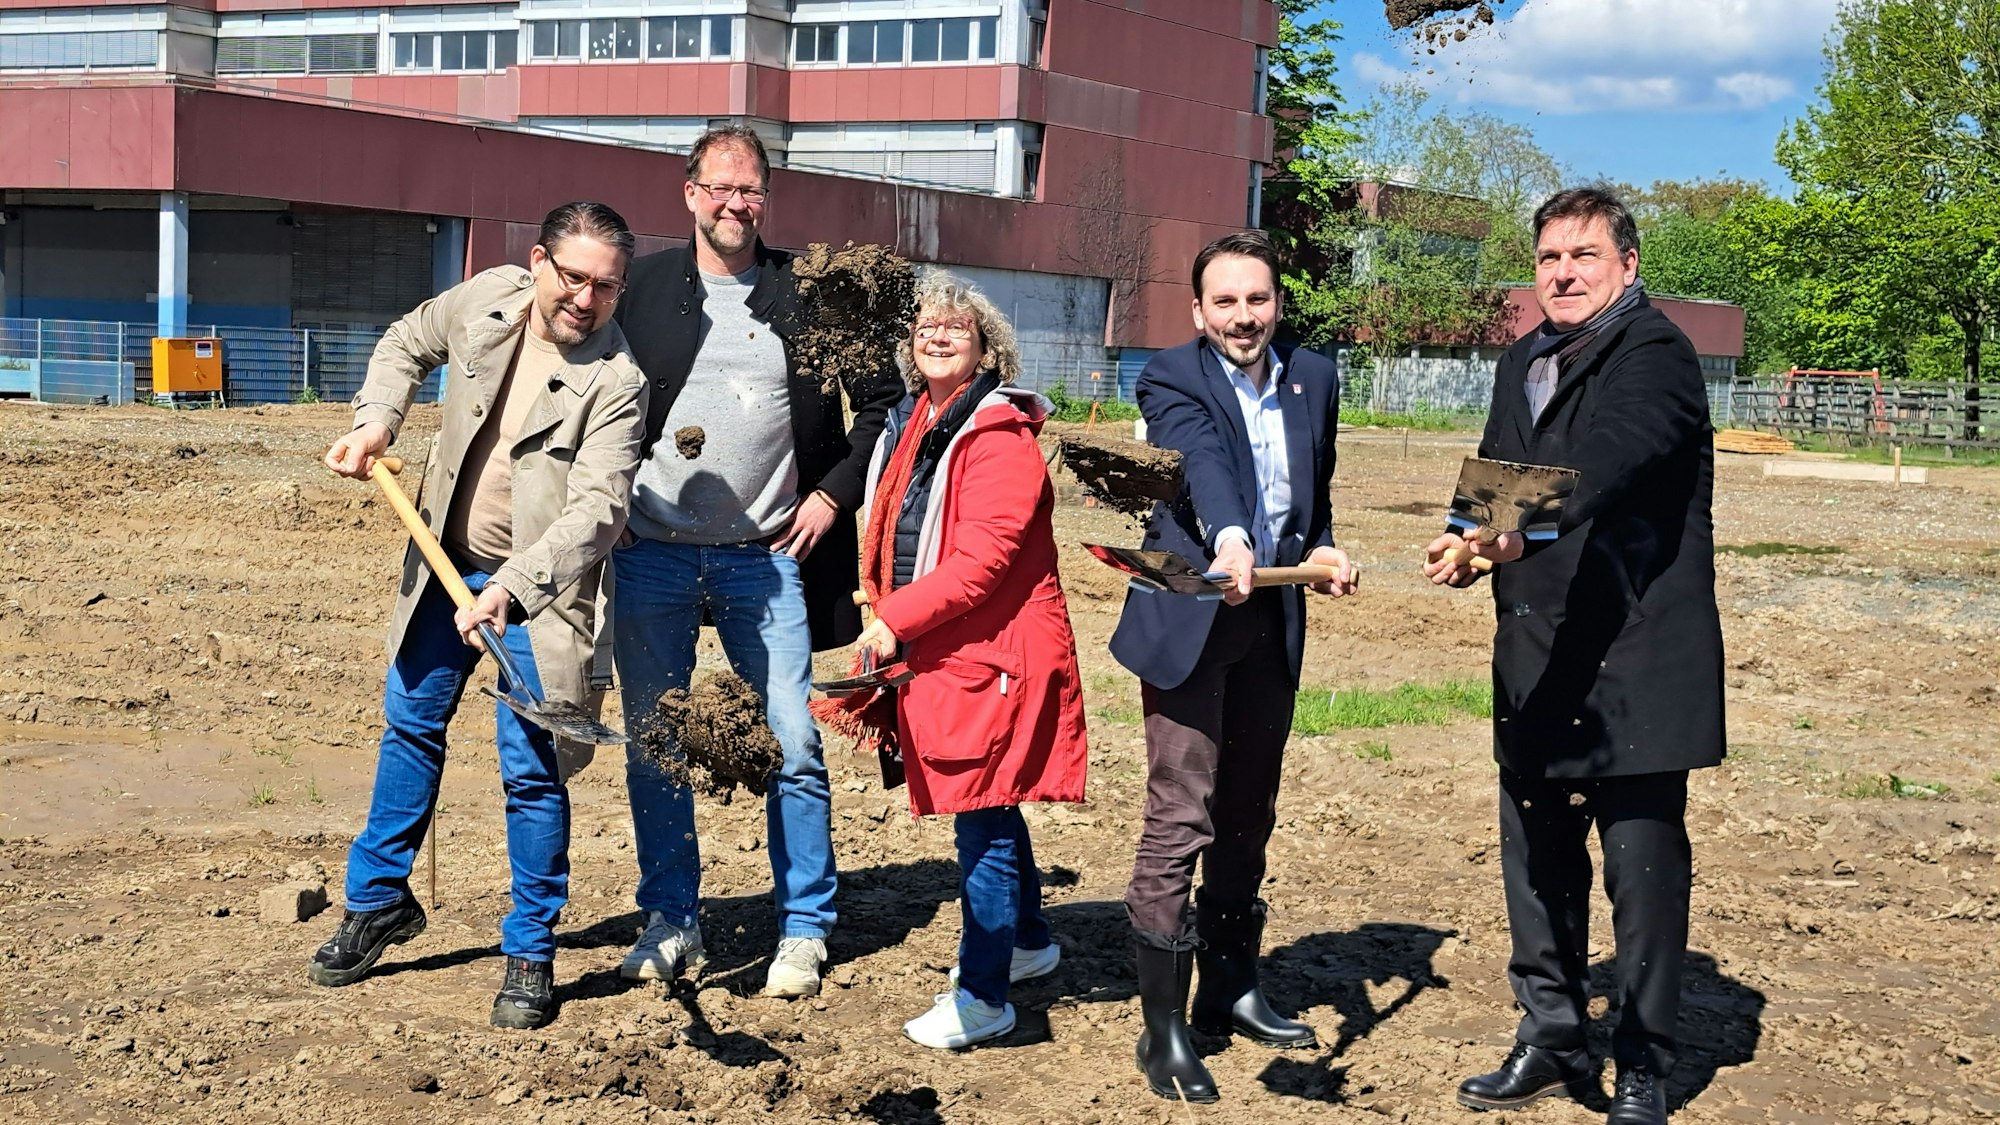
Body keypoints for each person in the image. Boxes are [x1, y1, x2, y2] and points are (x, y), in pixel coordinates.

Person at [1423, 186, 1724, 1125]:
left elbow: (1607, 458)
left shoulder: (1657, 355)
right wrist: (1466, 538)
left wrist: (1513, 528)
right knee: (1539, 856)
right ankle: (1551, 1034)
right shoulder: (1525, 359)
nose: (1562, 273)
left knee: (1641, 866)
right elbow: (1496, 471)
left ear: (1627, 266)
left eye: (1583, 256)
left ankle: (1642, 1062)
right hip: (1536, 652)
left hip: (1634, 652)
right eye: (1549, 257)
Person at [313, 202, 649, 1030]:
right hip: (442, 564)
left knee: (531, 767)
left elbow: (600, 511)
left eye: (605, 287)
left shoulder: (619, 381)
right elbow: (405, 341)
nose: (585, 299)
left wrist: (515, 586)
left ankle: (530, 951)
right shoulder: (488, 300)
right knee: (411, 724)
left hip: (536, 593)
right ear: (538, 261)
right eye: (572, 276)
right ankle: (378, 900)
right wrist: (376, 419)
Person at [609, 125, 904, 998]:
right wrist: (607, 504)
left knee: (794, 740)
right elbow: (590, 390)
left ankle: (805, 924)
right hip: (651, 554)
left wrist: (831, 494)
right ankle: (672, 918)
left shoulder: (806, 293)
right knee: (658, 739)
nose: (738, 204)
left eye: (753, 192)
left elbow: (881, 402)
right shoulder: (643, 288)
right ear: (690, 192)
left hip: (764, 559)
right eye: (722, 188)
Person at [1110, 230, 1359, 1103]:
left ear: (1278, 302)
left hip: (1272, 624)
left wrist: (1323, 549)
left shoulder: (1316, 377)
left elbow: (1313, 494)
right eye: (1226, 301)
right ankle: (1163, 1028)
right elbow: (1200, 465)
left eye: (1257, 299)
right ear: (1198, 310)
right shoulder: (1171, 376)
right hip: (1190, 615)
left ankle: (1229, 984)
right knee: (1182, 813)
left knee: (1250, 808)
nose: (1243, 316)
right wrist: (1230, 536)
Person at [836, 271, 1089, 1049]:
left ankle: (985, 997)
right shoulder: (920, 420)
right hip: (949, 647)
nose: (938, 336)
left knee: (980, 814)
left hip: (992, 653)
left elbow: (982, 561)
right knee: (992, 802)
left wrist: (891, 621)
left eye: (957, 327)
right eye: (925, 328)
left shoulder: (998, 435)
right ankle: (1028, 942)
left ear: (986, 346)